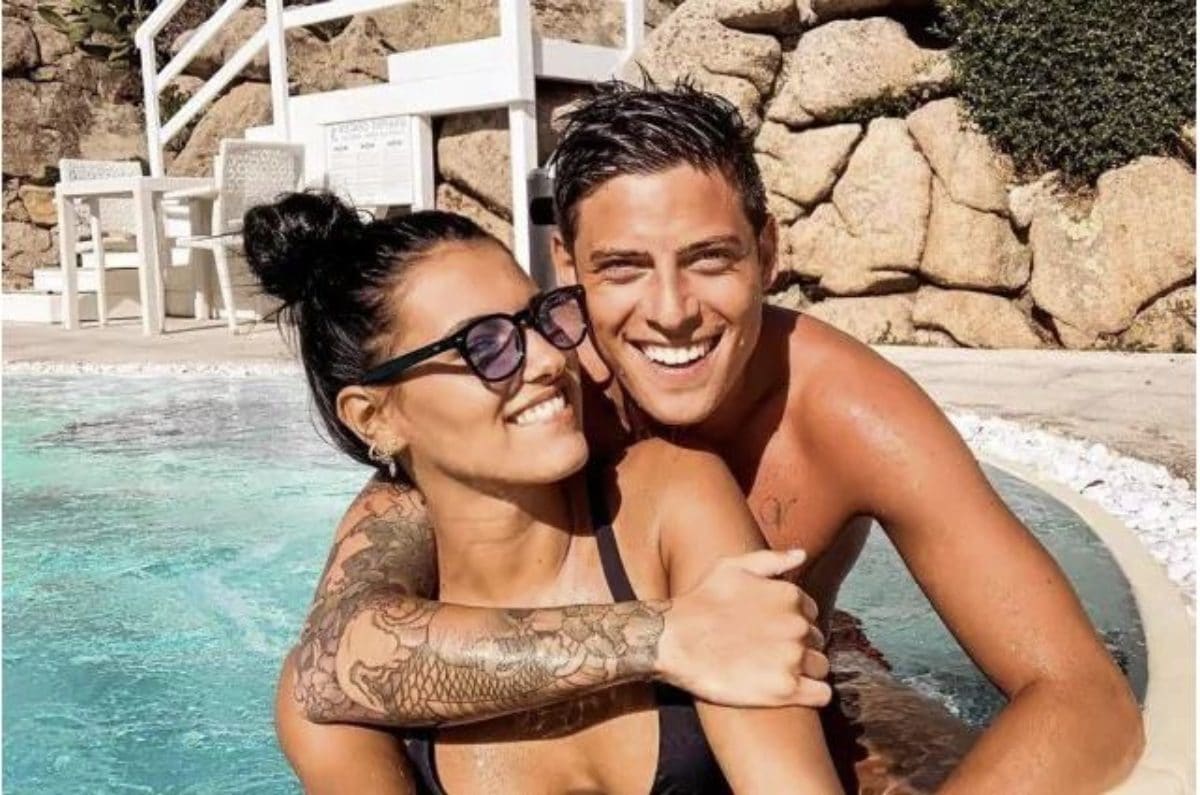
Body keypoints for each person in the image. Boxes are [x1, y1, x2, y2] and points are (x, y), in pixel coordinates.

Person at [279, 83, 1144, 793]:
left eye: (710, 258)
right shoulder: (540, 400)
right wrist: (667, 635)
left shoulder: (847, 416)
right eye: (623, 268)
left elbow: (1085, 700)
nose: (671, 312)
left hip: (804, 680)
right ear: (568, 268)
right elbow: (329, 662)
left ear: (766, 252)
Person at [248, 192, 843, 794]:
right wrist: (668, 637)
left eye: (541, 318)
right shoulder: (339, 704)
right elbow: (329, 664)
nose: (547, 359)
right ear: (373, 418)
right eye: (483, 345)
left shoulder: (667, 501)